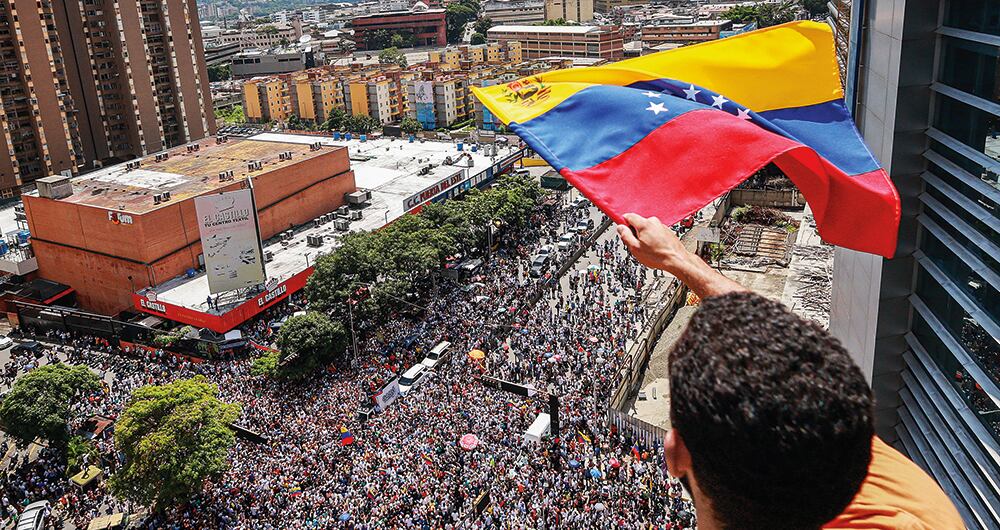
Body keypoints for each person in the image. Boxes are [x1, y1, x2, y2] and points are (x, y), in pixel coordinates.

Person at [617, 213, 965, 530]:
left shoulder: (839, 460)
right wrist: (680, 260)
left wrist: (680, 261)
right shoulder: (842, 458)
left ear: (674, 453)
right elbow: (786, 350)